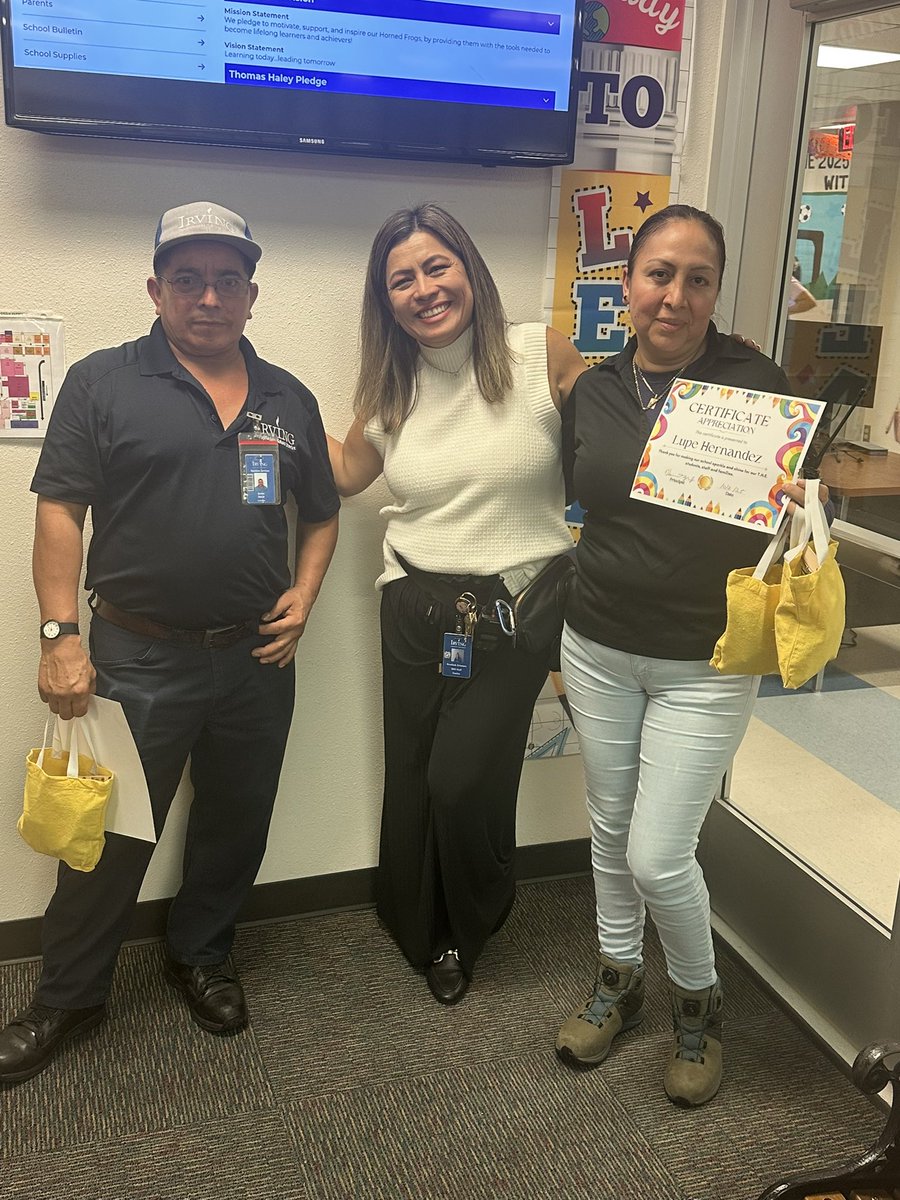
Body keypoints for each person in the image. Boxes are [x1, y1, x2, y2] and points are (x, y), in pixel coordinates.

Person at [0, 201, 340, 1084]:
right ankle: (68, 999)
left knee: (236, 820)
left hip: (257, 659)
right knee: (109, 836)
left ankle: (202, 955)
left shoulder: (287, 397)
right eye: (187, 279)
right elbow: (59, 511)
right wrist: (58, 634)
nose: (208, 297)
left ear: (252, 295)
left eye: (227, 280)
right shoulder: (103, 382)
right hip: (136, 653)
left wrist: (305, 595)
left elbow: (322, 517)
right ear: (155, 290)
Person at [554, 204, 822, 1108]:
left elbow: (790, 517)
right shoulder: (592, 391)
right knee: (607, 827)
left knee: (658, 853)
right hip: (596, 644)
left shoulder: (754, 382)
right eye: (658, 275)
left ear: (715, 292)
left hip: (704, 659)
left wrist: (792, 496)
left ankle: (699, 1006)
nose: (674, 296)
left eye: (696, 279)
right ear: (627, 285)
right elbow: (580, 507)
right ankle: (620, 979)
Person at [327, 203, 586, 1005]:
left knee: (460, 780)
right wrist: (257, 414)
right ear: (386, 301)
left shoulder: (537, 351)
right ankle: (413, 917)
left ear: (469, 269)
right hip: (411, 602)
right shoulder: (390, 384)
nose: (423, 288)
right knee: (410, 773)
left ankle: (470, 924)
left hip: (513, 611)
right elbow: (345, 475)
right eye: (401, 279)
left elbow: (612, 439)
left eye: (437, 267)